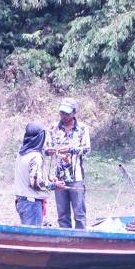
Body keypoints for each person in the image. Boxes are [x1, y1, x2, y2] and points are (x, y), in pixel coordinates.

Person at [45, 98, 91, 229]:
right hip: (58, 179)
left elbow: (87, 149)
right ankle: (66, 243)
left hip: (76, 177)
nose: (63, 116)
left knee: (79, 214)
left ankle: (81, 243)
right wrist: (51, 150)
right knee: (62, 215)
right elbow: (45, 150)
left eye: (67, 113)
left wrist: (71, 149)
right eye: (61, 113)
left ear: (74, 113)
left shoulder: (82, 129)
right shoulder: (53, 128)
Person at [15, 122, 64, 226]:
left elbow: (30, 175)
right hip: (31, 204)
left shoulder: (21, 151)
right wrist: (54, 185)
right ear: (40, 138)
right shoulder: (35, 157)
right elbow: (36, 183)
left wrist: (48, 178)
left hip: (22, 201)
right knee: (32, 238)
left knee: (27, 236)